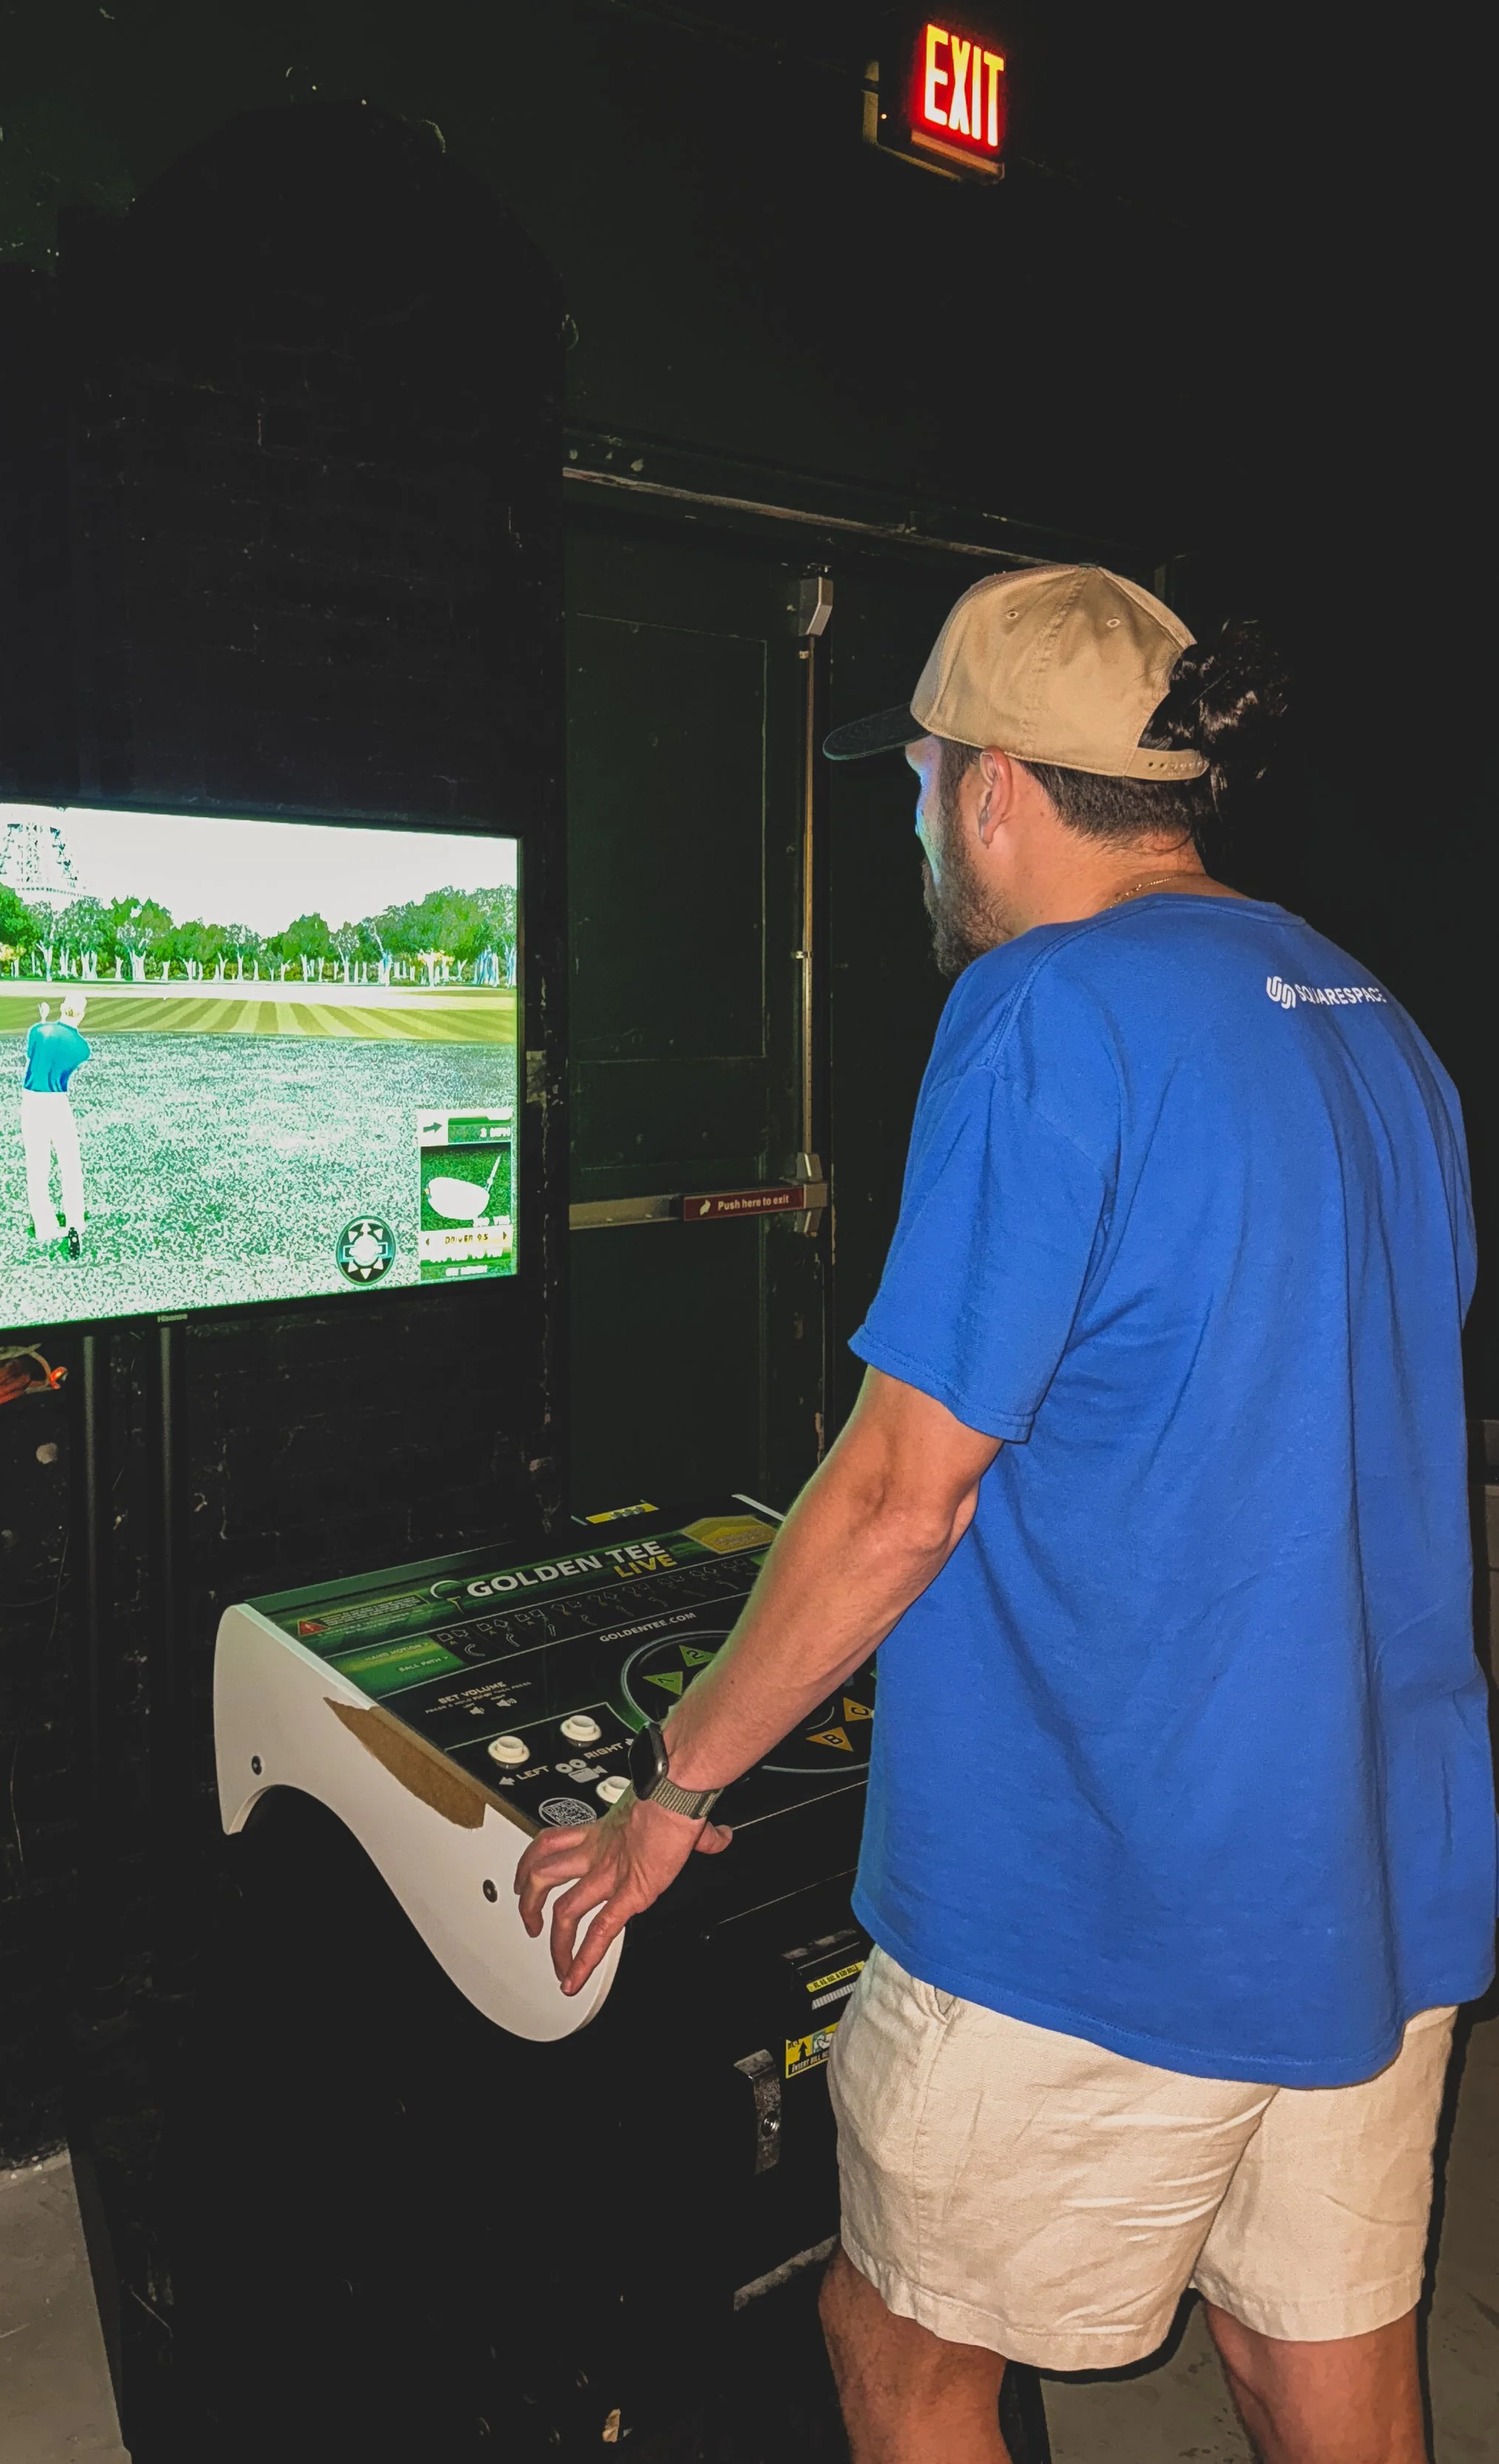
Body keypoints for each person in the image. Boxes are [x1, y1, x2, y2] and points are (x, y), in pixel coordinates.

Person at [514, 566, 1494, 2464]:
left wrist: (678, 1789)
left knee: (895, 2343)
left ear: (987, 789)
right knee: (1325, 2363)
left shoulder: (1042, 1011)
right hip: (1370, 1874)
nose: (920, 825)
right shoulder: (1373, 1014)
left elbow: (899, 1493)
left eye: (918, 781)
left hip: (1110, 1895)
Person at [21, 989, 91, 1258]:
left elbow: (33, 1055)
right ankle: (75, 1222)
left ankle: (45, 1226)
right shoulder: (82, 1048)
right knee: (70, 1165)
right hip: (57, 1102)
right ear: (82, 1014)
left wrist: (43, 1022)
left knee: (37, 1167)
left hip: (31, 1101)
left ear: (63, 1007)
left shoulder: (37, 1031)